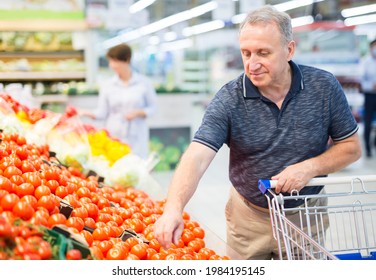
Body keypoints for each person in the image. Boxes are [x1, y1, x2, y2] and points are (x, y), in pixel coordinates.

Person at [153, 5, 361, 260]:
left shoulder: (323, 87)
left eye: (263, 53)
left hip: (305, 218)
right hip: (248, 219)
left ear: (289, 50)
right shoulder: (230, 98)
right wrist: (173, 207)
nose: (252, 64)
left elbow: (351, 147)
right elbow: (197, 155)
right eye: (246, 53)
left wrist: (310, 167)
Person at [80, 43, 157, 159]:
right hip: (114, 136)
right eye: (110, 61)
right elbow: (102, 112)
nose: (112, 65)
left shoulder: (144, 83)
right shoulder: (108, 85)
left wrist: (138, 112)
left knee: (137, 168)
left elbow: (153, 108)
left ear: (126, 60)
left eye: (115, 61)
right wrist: (84, 112)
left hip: (136, 137)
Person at [360, 39, 376, 158]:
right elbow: (361, 81)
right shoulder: (366, 62)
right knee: (368, 121)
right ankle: (368, 148)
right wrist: (371, 86)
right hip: (369, 95)